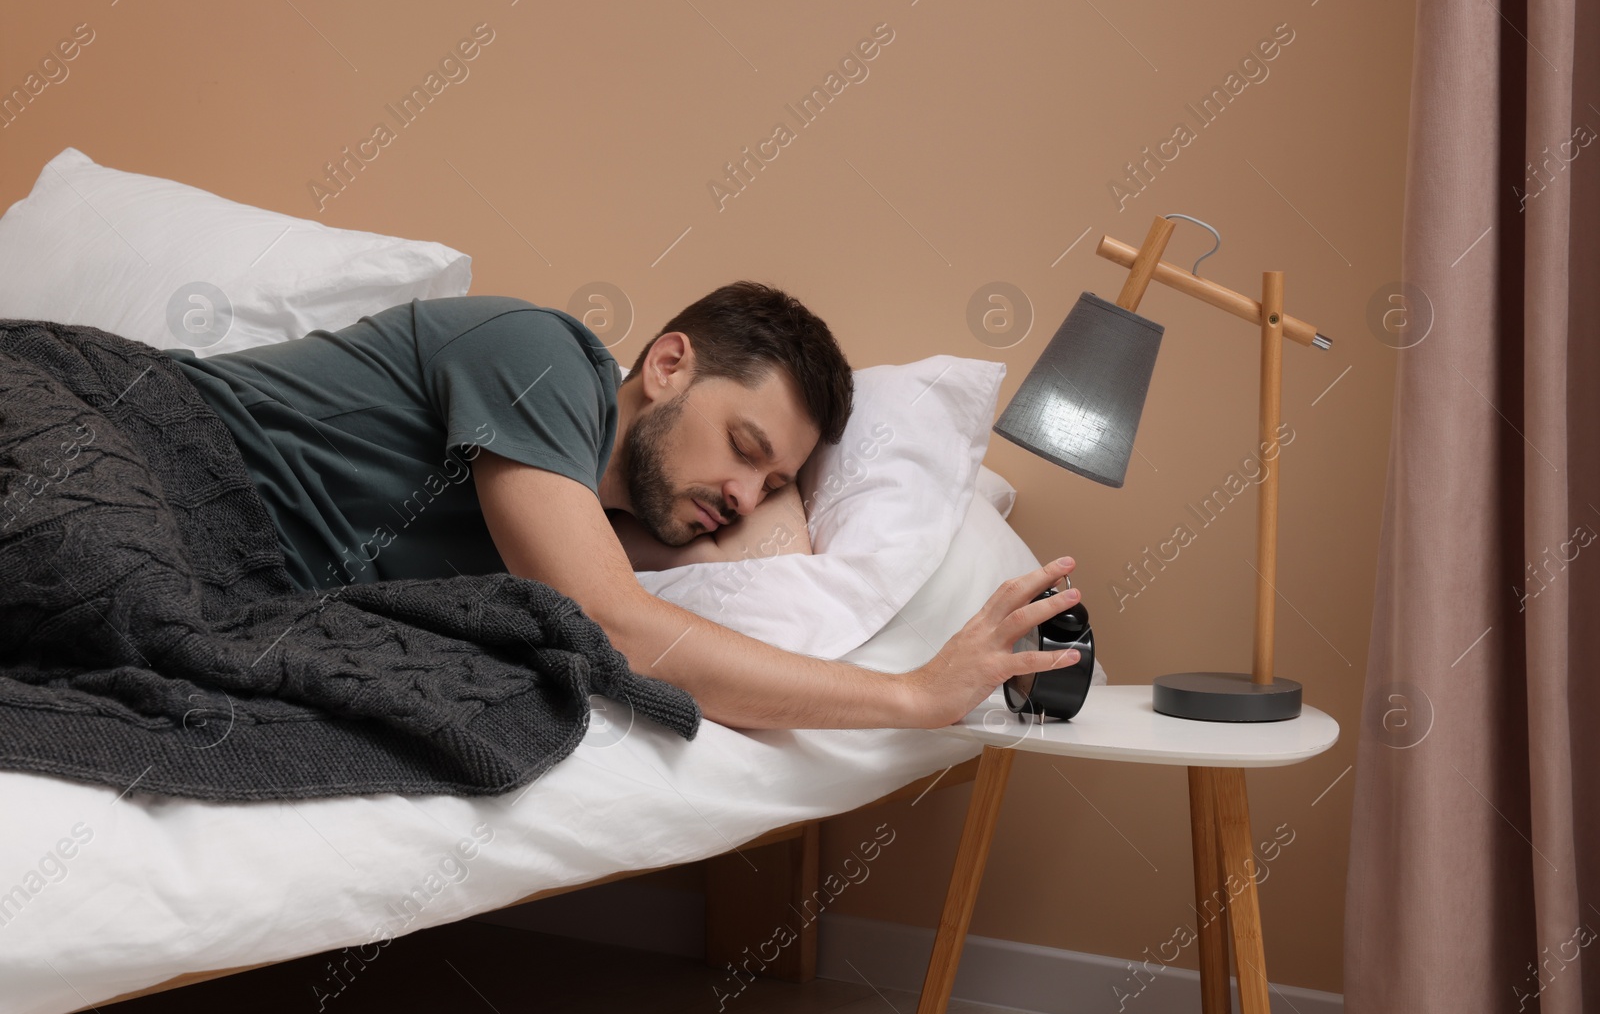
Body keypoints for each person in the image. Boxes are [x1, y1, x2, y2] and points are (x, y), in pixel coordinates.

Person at [165, 281, 1082, 730]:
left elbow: (760, 579)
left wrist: (757, 501)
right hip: (149, 439)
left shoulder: (601, 528)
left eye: (770, 483)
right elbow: (621, 627)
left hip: (226, 575)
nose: (742, 494)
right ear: (669, 365)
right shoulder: (541, 354)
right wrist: (914, 696)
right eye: (744, 447)